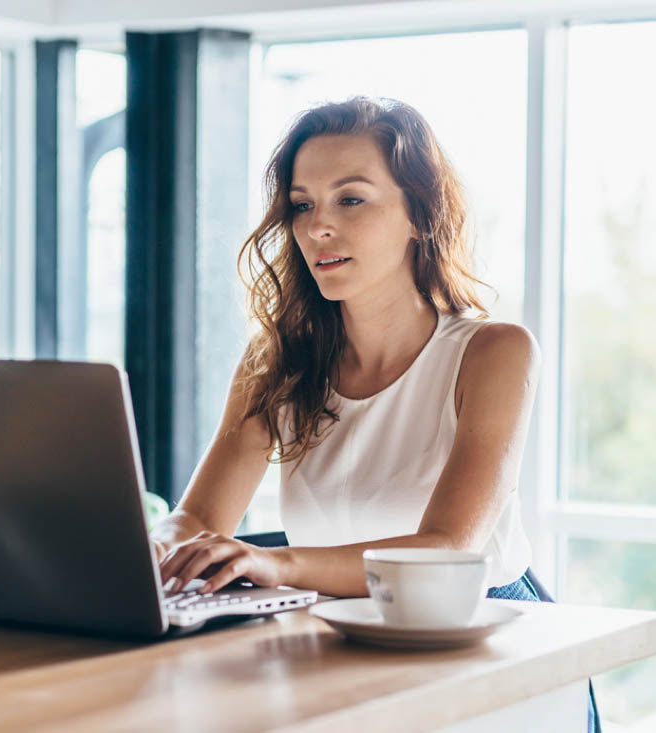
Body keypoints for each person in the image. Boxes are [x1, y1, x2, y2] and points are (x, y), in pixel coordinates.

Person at [148, 96, 599, 732]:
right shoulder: (276, 360)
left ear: (419, 213)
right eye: (302, 205)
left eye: (351, 199)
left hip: (492, 645)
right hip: (339, 638)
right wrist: (149, 549)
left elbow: (448, 549)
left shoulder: (494, 351)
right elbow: (196, 519)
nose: (317, 228)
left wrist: (277, 563)